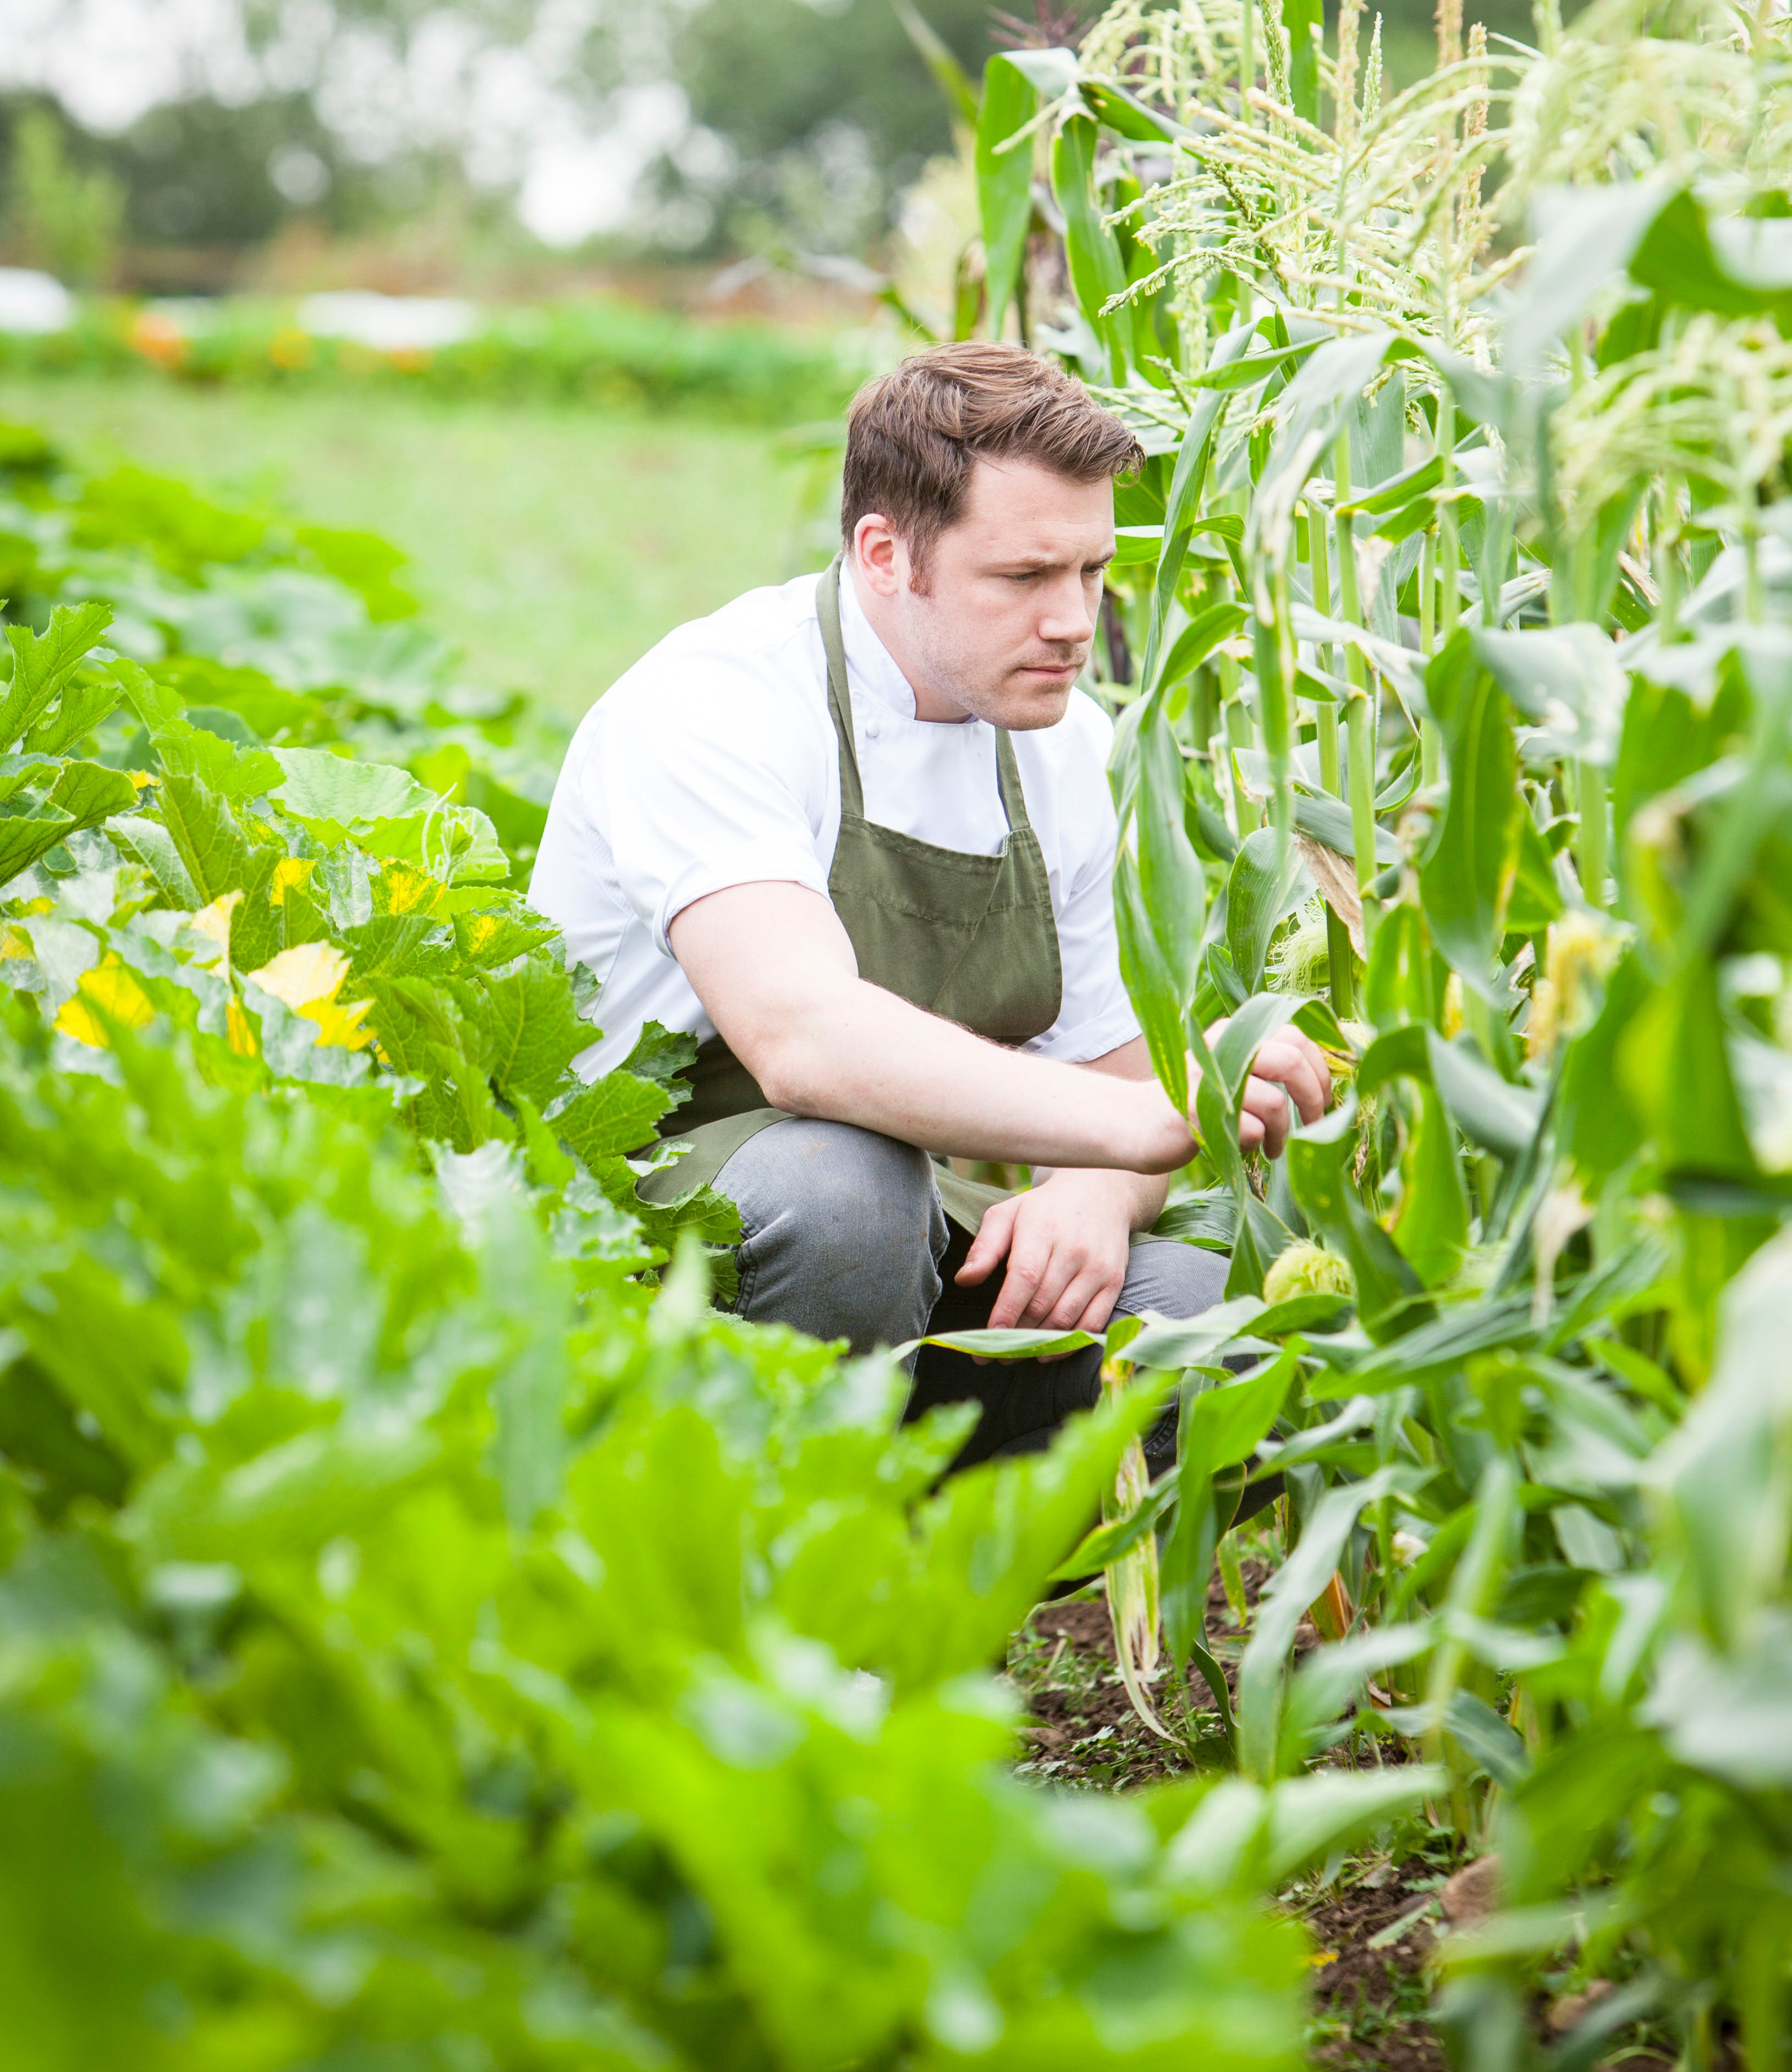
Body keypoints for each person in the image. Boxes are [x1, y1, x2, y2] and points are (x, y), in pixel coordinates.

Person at [530, 341, 1329, 1461]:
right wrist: (1149, 1120)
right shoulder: (715, 701)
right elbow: (800, 1035)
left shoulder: (1072, 752)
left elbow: (1118, 1079)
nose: (1072, 620)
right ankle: (743, 1564)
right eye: (1023, 576)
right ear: (884, 553)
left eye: (1091, 573)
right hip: (641, 1236)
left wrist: (1093, 1198)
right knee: (844, 1185)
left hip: (893, 1250)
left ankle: (923, 1567)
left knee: (1231, 1336)